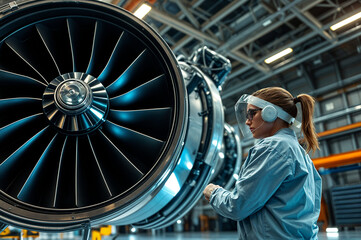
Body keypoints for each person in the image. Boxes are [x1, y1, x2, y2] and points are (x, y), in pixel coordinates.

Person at [203, 87, 322, 239]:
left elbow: (237, 206)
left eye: (252, 113)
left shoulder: (273, 148)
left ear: (270, 112)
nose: (247, 121)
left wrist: (213, 192)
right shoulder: (300, 154)